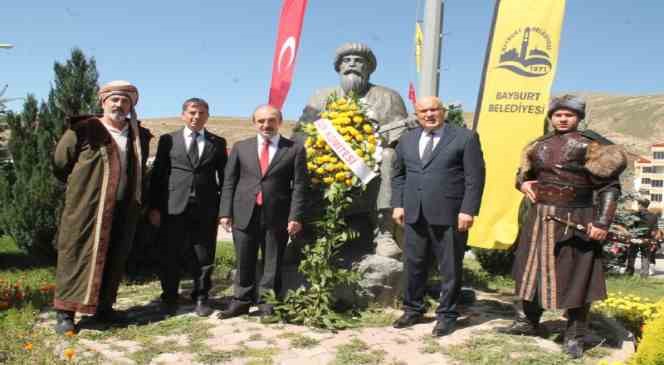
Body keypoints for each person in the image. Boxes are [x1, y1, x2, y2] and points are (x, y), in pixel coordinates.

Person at [499, 95, 626, 358]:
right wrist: (522, 183)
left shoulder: (592, 146)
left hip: (577, 218)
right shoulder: (537, 146)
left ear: (578, 118)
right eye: (558, 114)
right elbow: (523, 175)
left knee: (578, 276)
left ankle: (574, 336)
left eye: (569, 114)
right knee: (529, 270)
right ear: (551, 117)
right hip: (539, 218)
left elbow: (609, 187)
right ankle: (527, 322)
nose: (563, 118)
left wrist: (602, 221)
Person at [295, 42, 412, 258]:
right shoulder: (321, 96)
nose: (352, 65)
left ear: (368, 67)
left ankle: (383, 233)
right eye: (346, 61)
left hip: (371, 167)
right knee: (301, 158)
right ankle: (306, 234)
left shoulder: (388, 96)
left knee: (389, 156)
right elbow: (301, 132)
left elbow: (401, 137)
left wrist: (374, 145)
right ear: (338, 67)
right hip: (327, 165)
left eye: (358, 61)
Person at [52, 80, 151, 334]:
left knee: (114, 256)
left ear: (132, 105)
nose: (119, 104)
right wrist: (84, 189)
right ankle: (66, 313)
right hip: (88, 206)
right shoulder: (85, 129)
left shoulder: (138, 134)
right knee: (76, 253)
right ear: (103, 102)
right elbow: (61, 163)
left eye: (125, 100)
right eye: (114, 99)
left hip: (124, 208)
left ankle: (103, 308)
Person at [391, 96, 486, 337]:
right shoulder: (407, 139)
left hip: (451, 215)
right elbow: (398, 175)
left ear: (443, 111)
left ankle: (447, 315)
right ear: (417, 114)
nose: (429, 114)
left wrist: (468, 210)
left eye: (434, 109)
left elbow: (475, 179)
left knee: (450, 268)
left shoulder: (465, 137)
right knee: (413, 264)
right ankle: (413, 309)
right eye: (423, 111)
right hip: (414, 213)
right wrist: (398, 205)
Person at [218, 104, 307, 319]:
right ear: (254, 122)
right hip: (244, 212)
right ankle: (241, 301)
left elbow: (300, 186)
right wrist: (225, 212)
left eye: (271, 120)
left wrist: (295, 216)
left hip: (277, 214)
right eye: (261, 121)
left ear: (280, 122)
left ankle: (268, 305)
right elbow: (229, 182)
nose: (266, 125)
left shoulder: (294, 149)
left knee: (272, 261)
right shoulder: (241, 147)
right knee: (244, 260)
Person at [148, 98, 228, 316]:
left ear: (207, 116)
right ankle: (169, 296)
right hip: (172, 206)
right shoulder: (168, 140)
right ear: (183, 114)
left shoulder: (217, 143)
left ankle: (201, 297)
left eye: (202, 113)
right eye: (192, 112)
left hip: (205, 208)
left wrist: (224, 211)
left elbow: (225, 179)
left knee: (203, 255)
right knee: (170, 252)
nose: (196, 117)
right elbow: (158, 174)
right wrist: (154, 207)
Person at [625, 199, 659, 276]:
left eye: (638, 204)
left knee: (631, 255)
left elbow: (630, 227)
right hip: (647, 239)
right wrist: (652, 239)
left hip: (635, 238)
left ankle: (629, 273)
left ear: (640, 204)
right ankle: (644, 275)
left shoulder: (635, 214)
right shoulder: (653, 216)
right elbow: (654, 230)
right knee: (646, 257)